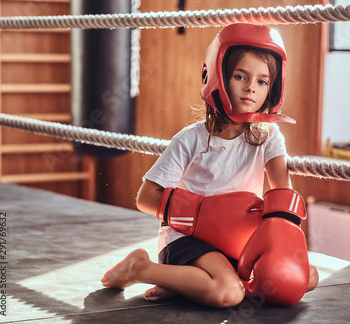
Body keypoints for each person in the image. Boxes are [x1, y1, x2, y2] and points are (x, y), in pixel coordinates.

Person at [101, 23, 319, 308]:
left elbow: (282, 193)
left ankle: (183, 283)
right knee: (228, 293)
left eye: (262, 81)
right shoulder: (191, 139)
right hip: (187, 239)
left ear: (272, 89)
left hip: (239, 241)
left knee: (304, 277)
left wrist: (281, 245)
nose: (251, 87)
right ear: (217, 77)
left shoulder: (268, 137)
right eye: (241, 76)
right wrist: (207, 215)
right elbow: (146, 197)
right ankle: (140, 269)